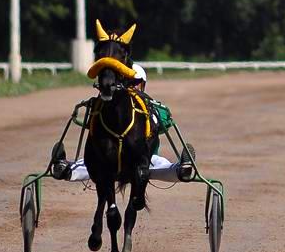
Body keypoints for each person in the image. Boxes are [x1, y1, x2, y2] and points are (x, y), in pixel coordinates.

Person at [53, 64, 193, 182]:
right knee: (90, 163)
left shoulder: (150, 106)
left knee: (158, 163)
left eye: (135, 83)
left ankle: (182, 170)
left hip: (143, 160)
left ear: (142, 85)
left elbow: (165, 121)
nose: (131, 86)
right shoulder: (105, 107)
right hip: (106, 158)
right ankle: (64, 169)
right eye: (128, 82)